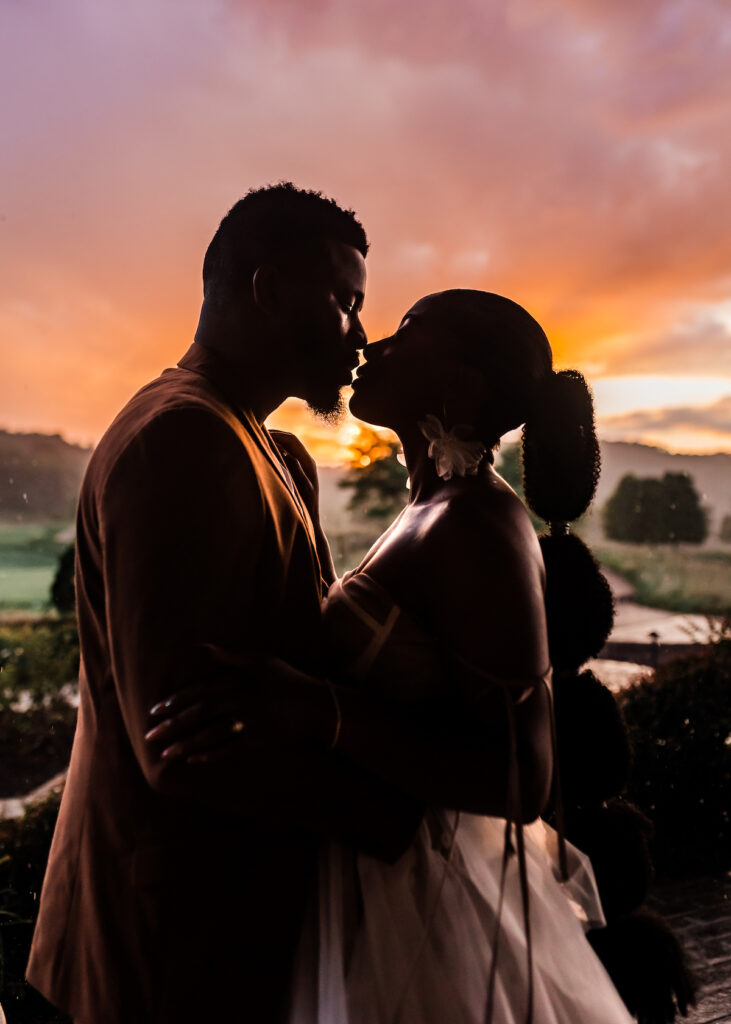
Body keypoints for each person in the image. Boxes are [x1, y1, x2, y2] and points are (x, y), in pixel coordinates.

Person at [148, 290, 635, 1022]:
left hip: (421, 907)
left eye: (406, 336)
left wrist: (308, 707)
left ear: (461, 384)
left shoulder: (475, 528)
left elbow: (522, 780)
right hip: (368, 875)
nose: (372, 344)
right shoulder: (430, 506)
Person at [26, 183, 423, 1024]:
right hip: (163, 951)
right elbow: (180, 745)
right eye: (345, 303)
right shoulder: (182, 438)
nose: (358, 332)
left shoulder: (264, 443)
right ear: (267, 288)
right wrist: (406, 814)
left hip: (219, 932)